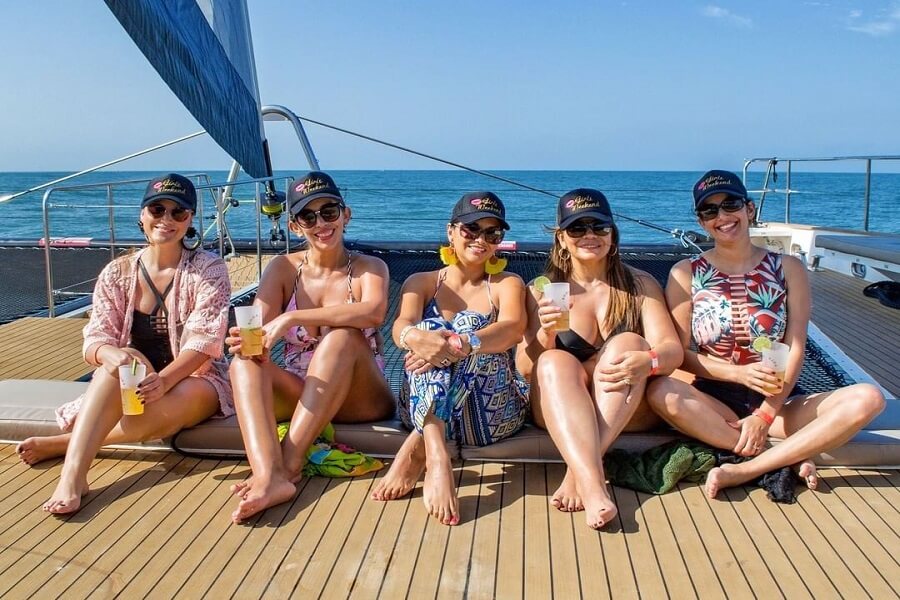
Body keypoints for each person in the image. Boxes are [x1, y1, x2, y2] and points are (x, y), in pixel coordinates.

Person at [647, 170, 886, 499]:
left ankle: (745, 468)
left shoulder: (788, 268)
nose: (722, 216)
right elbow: (679, 355)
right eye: (709, 210)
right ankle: (788, 457)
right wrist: (738, 373)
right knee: (661, 391)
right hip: (716, 403)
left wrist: (765, 413)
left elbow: (795, 344)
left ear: (749, 209)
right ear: (701, 222)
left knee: (868, 399)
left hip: (778, 399)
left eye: (730, 205)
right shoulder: (686, 273)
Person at [24, 173, 234, 514]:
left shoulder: (209, 269)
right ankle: (73, 477)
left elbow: (205, 340)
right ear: (142, 215)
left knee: (158, 407)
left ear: (190, 220)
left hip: (196, 377)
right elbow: (95, 339)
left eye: (178, 212)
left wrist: (164, 380)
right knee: (121, 359)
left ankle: (66, 445)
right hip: (134, 378)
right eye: (157, 209)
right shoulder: (116, 272)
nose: (166, 219)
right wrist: (112, 356)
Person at [227, 171, 394, 523]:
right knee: (242, 363)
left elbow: (374, 312)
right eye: (308, 216)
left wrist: (291, 317)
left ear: (346, 215)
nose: (321, 223)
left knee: (342, 336)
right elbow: (258, 325)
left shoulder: (370, 267)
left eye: (329, 212)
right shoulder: (283, 268)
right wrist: (245, 342)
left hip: (361, 398)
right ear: (293, 226)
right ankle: (267, 475)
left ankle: (288, 464)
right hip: (304, 392)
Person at [516, 189, 683, 529]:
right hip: (560, 411)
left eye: (599, 227)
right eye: (577, 228)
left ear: (612, 234)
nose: (589, 235)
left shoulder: (639, 284)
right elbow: (524, 367)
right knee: (553, 361)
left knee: (628, 343)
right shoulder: (543, 289)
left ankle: (581, 475)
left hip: (627, 411)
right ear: (561, 239)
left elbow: (671, 350)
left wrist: (649, 361)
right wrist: (545, 333)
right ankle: (594, 483)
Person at [370, 192, 528, 526]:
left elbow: (513, 329)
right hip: (420, 411)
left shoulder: (507, 283)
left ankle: (420, 449)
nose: (480, 239)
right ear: (451, 231)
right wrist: (416, 337)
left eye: (492, 233)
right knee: (427, 330)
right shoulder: (421, 282)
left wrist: (463, 342)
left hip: (489, 417)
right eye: (471, 229)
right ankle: (438, 456)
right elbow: (400, 326)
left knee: (466, 329)